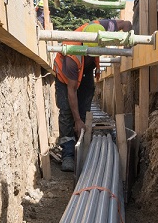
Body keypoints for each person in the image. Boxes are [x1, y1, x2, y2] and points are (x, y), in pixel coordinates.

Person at [52, 17, 134, 171]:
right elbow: (72, 91)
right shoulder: (72, 56)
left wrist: (128, 42)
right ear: (85, 47)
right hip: (65, 78)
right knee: (67, 112)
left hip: (85, 69)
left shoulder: (104, 27)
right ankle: (68, 153)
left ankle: (81, 143)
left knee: (85, 105)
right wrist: (77, 120)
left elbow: (126, 24)